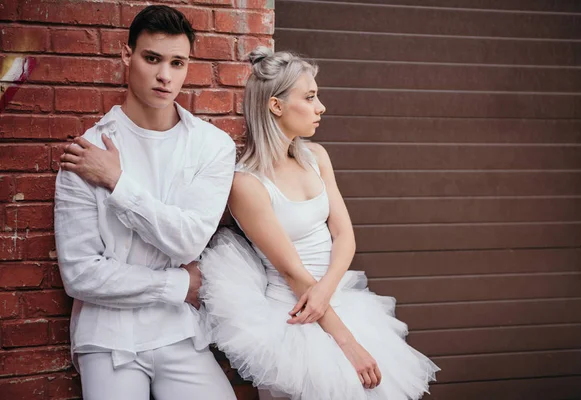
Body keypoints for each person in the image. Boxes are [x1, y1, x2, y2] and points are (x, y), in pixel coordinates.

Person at [199, 47, 440, 400]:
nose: (320, 106)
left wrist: (327, 290)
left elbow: (344, 235)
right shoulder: (247, 184)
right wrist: (348, 343)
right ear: (276, 106)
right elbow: (292, 273)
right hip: (293, 320)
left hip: (338, 299)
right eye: (310, 97)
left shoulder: (317, 157)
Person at [54, 5, 236, 400]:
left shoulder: (212, 146)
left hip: (179, 330)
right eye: (152, 58)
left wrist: (118, 183)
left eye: (177, 62)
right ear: (127, 55)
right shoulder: (87, 153)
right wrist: (177, 283)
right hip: (106, 334)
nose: (165, 76)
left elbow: (188, 241)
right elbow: (81, 275)